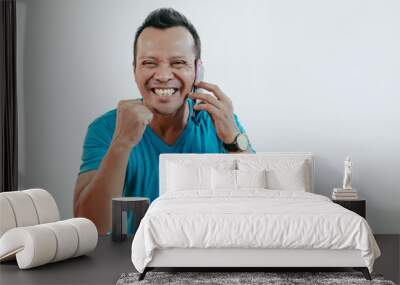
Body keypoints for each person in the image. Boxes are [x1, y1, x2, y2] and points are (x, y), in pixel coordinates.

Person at [73, 8, 255, 235]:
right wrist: (121, 144)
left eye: (178, 62)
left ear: (198, 71)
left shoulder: (220, 122)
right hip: (134, 263)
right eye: (150, 63)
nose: (163, 75)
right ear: (135, 70)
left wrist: (233, 139)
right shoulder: (106, 128)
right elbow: (90, 225)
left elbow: (260, 209)